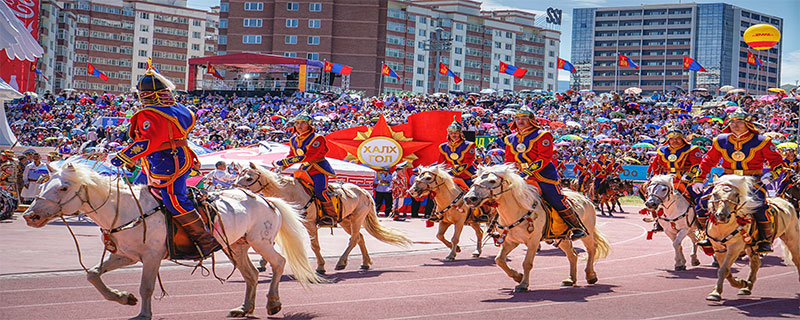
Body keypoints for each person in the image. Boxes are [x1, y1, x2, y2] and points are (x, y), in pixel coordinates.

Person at [110, 66, 221, 258]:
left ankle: (205, 239)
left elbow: (147, 142)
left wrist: (124, 156)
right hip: (165, 160)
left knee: (175, 200)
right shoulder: (181, 109)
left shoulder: (151, 114)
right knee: (134, 195)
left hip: (169, 164)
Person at [691, 108, 785, 253]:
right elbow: (708, 160)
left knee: (760, 207)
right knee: (702, 204)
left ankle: (764, 240)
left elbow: (777, 163)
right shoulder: (720, 140)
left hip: (752, 180)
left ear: (748, 123)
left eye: (739, 121)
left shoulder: (762, 141)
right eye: (732, 121)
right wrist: (699, 179)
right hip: (726, 179)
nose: (734, 125)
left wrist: (772, 175)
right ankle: (706, 235)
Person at [504, 105, 587, 240]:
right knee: (501, 195)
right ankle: (497, 226)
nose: (520, 121)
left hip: (543, 176)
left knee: (556, 199)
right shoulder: (510, 138)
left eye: (524, 118)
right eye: (517, 118)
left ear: (531, 120)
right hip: (519, 176)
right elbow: (509, 159)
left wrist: (526, 172)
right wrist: (512, 174)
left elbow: (544, 158)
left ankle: (577, 227)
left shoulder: (542, 135)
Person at [274, 111, 338, 225]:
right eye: (297, 123)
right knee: (289, 186)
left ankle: (330, 215)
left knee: (320, 191)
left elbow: (308, 156)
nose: (299, 125)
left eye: (303, 123)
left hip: (318, 169)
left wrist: (283, 161)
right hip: (304, 169)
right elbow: (292, 155)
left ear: (309, 124)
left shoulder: (318, 138)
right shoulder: (294, 139)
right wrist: (281, 166)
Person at [646, 127, 704, 232]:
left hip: (686, 181)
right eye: (672, 138)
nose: (674, 141)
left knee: (699, 199)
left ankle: (701, 222)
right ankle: (658, 221)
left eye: (677, 138)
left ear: (683, 139)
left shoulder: (692, 149)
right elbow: (656, 165)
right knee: (652, 197)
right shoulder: (662, 150)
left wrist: (688, 176)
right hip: (666, 181)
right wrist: (656, 177)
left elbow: (697, 164)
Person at [438, 119, 477, 186]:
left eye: (456, 133)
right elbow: (441, 163)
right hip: (452, 175)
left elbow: (468, 162)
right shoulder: (443, 147)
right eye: (451, 133)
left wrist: (452, 172)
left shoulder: (469, 145)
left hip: (468, 175)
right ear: (448, 134)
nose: (453, 135)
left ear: (460, 133)